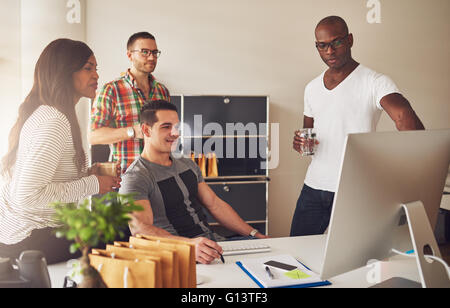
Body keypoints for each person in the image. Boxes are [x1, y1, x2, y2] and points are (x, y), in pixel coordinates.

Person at [290, 16, 425, 236]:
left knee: (354, 259)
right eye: (322, 46)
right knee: (297, 253)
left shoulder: (375, 81)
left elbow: (404, 118)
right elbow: (309, 137)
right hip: (313, 187)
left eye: (337, 42)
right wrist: (300, 143)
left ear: (350, 40)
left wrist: (412, 165)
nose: (330, 51)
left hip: (353, 190)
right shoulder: (312, 88)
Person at [0, 39, 121, 264]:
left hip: (31, 234)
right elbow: (26, 196)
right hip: (28, 239)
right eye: (88, 68)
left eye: (96, 69)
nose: (96, 75)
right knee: (120, 237)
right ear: (63, 72)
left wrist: (87, 174)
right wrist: (94, 184)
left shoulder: (52, 114)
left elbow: (50, 177)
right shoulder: (53, 120)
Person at [119, 100, 268, 264]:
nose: (175, 133)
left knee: (274, 263)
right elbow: (140, 230)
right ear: (146, 130)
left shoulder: (186, 163)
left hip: (212, 245)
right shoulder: (136, 177)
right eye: (166, 127)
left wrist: (254, 234)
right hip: (179, 255)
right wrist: (189, 246)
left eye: (176, 127)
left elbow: (214, 204)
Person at [89, 32, 171, 173]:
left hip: (160, 177)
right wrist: (132, 131)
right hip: (126, 180)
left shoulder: (162, 91)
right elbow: (93, 136)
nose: (151, 57)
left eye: (155, 52)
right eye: (144, 52)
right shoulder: (111, 90)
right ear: (129, 55)